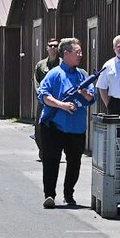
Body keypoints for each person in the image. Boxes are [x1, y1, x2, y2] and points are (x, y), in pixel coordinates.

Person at [36, 38, 93, 208]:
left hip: (76, 128)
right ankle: (50, 195)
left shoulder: (83, 75)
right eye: (77, 52)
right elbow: (43, 95)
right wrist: (62, 105)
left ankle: (69, 194)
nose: (80, 55)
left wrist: (84, 93)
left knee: (74, 162)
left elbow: (92, 97)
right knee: (51, 161)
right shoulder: (54, 74)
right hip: (54, 126)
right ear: (66, 54)